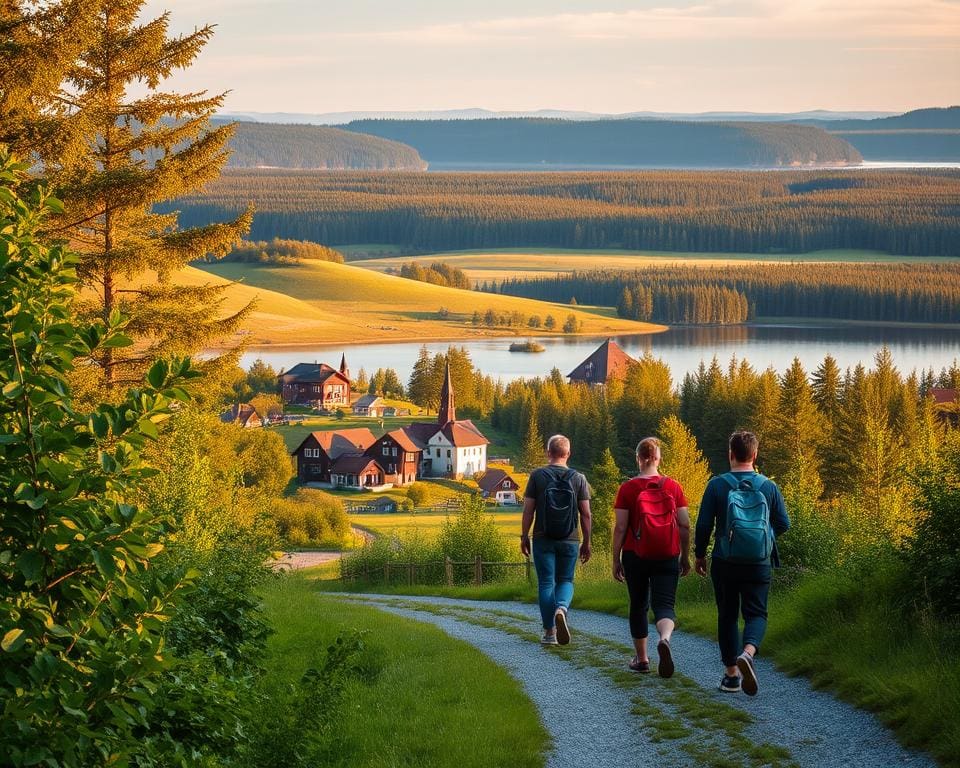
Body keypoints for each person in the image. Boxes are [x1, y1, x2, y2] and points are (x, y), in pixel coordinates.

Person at [694, 430, 790, 696]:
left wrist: (699, 554)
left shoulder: (717, 485)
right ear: (755, 455)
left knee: (727, 615)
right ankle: (748, 652)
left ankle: (731, 676)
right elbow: (784, 523)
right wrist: (763, 540)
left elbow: (703, 525)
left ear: (730, 454)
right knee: (757, 613)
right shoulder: (768, 486)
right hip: (759, 562)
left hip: (725, 561)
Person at [611, 437, 691, 676]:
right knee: (664, 605)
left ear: (639, 459)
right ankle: (664, 638)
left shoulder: (627, 488)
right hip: (667, 553)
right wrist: (684, 556)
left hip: (635, 555)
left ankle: (642, 659)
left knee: (638, 605)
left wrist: (615, 558)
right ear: (658, 458)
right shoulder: (673, 486)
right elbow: (685, 525)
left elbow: (621, 527)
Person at [521, 434, 592, 646]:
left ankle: (549, 632)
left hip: (543, 537)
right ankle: (562, 608)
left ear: (548, 452)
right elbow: (586, 514)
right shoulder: (579, 478)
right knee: (566, 580)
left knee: (545, 583)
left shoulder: (537, 476)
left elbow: (528, 511)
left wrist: (524, 536)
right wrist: (586, 542)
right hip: (570, 538)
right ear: (568, 454)